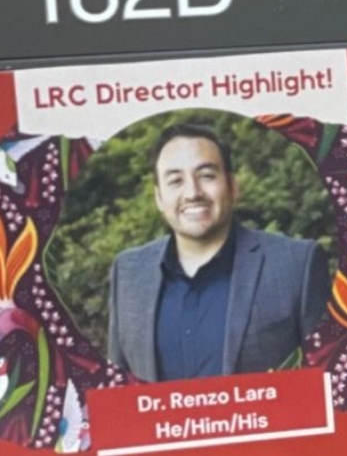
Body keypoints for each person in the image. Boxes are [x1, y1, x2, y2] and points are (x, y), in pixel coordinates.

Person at [108, 122, 330, 382]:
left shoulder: (296, 266)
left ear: (233, 186)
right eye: (175, 180)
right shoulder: (128, 272)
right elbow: (117, 389)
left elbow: (326, 383)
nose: (192, 193)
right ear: (159, 198)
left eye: (207, 175)